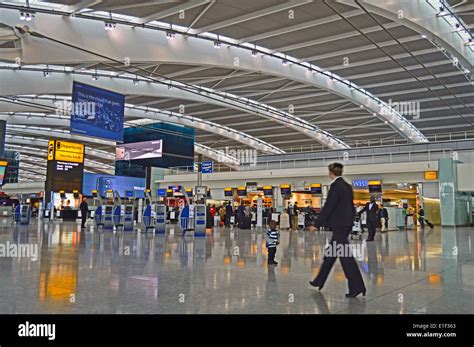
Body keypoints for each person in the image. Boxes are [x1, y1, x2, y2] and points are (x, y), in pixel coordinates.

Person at [309, 162, 366, 297]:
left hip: (339, 226)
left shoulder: (335, 186)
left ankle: (357, 286)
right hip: (345, 225)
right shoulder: (347, 186)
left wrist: (316, 224)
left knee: (346, 257)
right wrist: (351, 223)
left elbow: (329, 207)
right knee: (330, 254)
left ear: (331, 173)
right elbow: (351, 208)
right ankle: (319, 280)